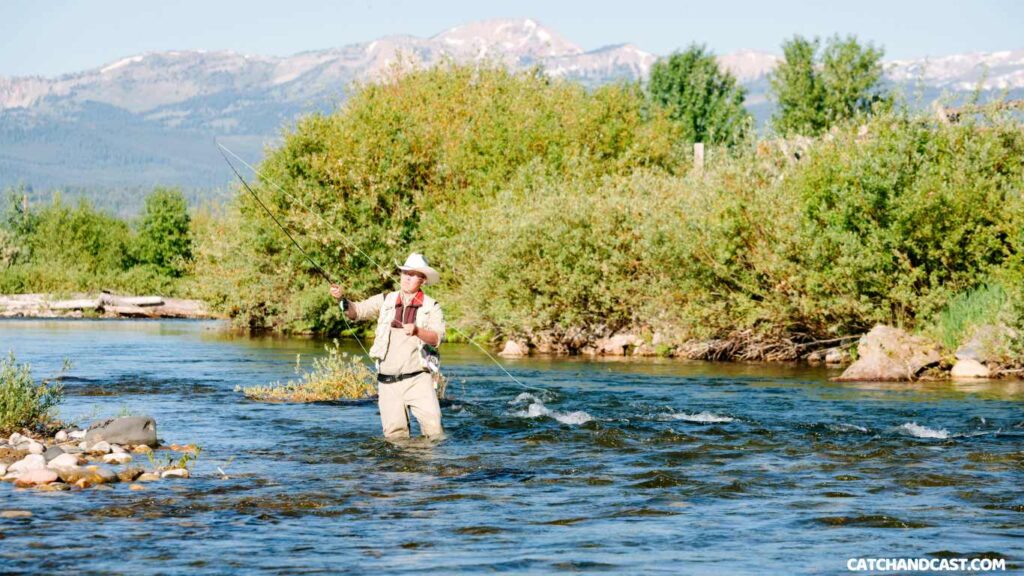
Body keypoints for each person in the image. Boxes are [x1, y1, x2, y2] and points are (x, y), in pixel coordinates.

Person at [329, 253, 446, 439]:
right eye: (405, 272)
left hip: (419, 380)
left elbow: (437, 338)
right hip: (388, 382)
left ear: (423, 280)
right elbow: (357, 312)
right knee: (395, 438)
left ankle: (433, 467)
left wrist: (417, 330)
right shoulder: (386, 299)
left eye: (414, 274)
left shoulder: (431, 306)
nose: (407, 277)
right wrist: (342, 299)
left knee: (435, 434)